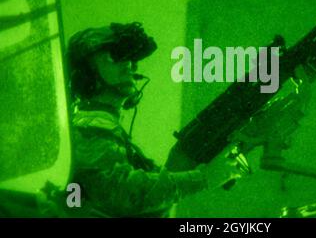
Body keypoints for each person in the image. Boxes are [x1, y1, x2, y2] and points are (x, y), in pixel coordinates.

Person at [67, 22, 243, 217]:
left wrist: (181, 162)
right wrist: (202, 179)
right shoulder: (90, 125)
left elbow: (145, 205)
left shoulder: (103, 127)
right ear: (85, 74)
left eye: (131, 59)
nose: (128, 66)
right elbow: (124, 194)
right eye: (114, 56)